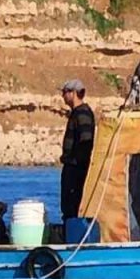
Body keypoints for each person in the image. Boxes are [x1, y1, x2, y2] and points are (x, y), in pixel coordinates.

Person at [59, 79, 95, 221]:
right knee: (68, 204)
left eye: (65, 92)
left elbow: (86, 142)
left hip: (76, 168)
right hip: (72, 166)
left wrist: (77, 163)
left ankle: (72, 233)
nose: (63, 96)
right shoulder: (77, 113)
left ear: (73, 93)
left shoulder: (82, 114)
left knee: (72, 204)